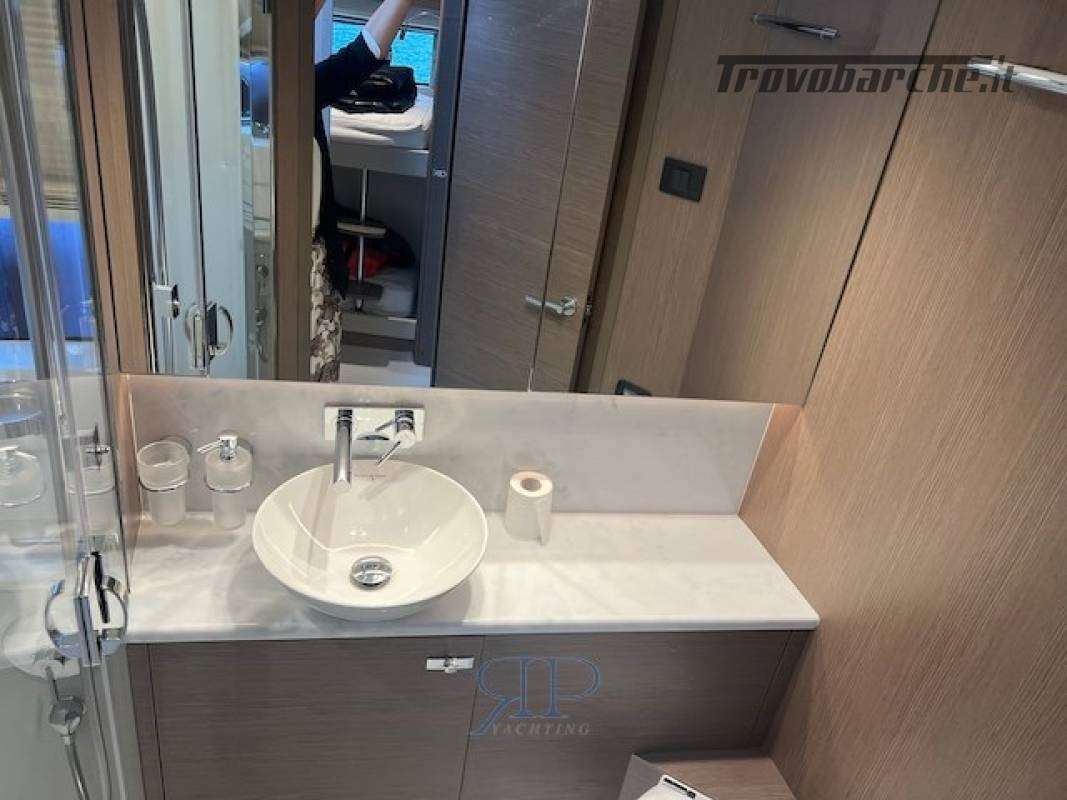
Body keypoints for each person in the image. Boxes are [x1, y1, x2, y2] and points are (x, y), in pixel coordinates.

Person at [310, 0, 415, 382]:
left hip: (314, 261)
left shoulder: (295, 84)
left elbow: (362, 56)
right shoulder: (263, 85)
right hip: (276, 261)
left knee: (316, 382)